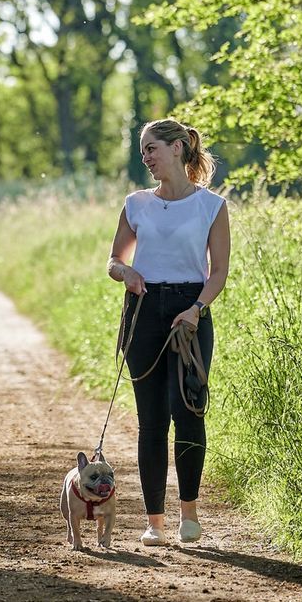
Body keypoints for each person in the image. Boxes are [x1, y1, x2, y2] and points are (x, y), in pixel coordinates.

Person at [106, 117, 232, 547]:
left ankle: (190, 514)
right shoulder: (136, 203)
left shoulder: (211, 206)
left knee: (189, 410)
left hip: (190, 312)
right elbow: (113, 261)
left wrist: (196, 310)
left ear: (178, 147)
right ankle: (154, 522)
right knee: (152, 419)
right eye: (143, 151)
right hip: (143, 309)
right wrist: (127, 272)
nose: (146, 158)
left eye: (152, 149)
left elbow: (219, 273)